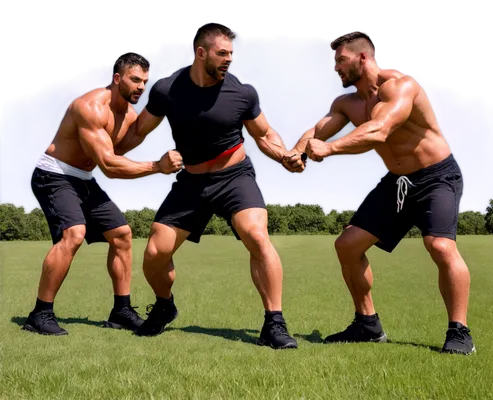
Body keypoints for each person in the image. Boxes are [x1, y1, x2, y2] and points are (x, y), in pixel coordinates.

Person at [116, 22, 305, 349]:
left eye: (231, 53)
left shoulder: (242, 92)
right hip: (191, 182)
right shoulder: (166, 90)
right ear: (200, 52)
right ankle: (164, 305)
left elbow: (264, 134)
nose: (229, 58)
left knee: (257, 236)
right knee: (154, 253)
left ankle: (274, 323)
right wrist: (109, 149)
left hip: (235, 177)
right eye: (222, 53)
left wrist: (285, 155)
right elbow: (137, 132)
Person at [289, 30, 475, 355]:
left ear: (363, 57)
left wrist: (330, 149)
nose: (335, 68)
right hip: (398, 182)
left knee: (441, 246)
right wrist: (298, 151)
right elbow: (318, 129)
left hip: (437, 176)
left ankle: (459, 332)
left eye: (340, 60)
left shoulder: (400, 86)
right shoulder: (347, 103)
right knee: (347, 245)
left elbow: (379, 130)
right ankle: (367, 324)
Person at [23, 51, 182, 336]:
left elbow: (122, 146)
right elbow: (108, 164)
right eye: (135, 80)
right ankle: (40, 314)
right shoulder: (91, 107)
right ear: (117, 78)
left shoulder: (129, 114)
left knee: (121, 234)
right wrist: (158, 166)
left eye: (145, 82)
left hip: (83, 178)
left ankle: (120, 311)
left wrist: (160, 107)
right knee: (74, 233)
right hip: (54, 174)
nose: (141, 87)